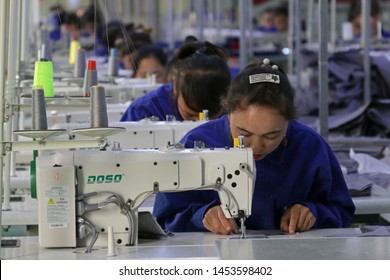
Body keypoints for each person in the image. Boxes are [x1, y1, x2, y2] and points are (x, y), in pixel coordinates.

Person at [153, 59, 355, 234]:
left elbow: (342, 209)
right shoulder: (196, 144)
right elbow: (164, 217)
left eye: (272, 135)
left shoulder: (310, 147)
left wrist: (313, 212)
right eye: (244, 133)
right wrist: (202, 215)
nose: (256, 146)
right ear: (228, 113)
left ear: (289, 122)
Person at [120, 41, 231, 121]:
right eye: (191, 116)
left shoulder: (235, 108)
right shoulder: (143, 111)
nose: (200, 124)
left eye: (212, 117)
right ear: (175, 86)